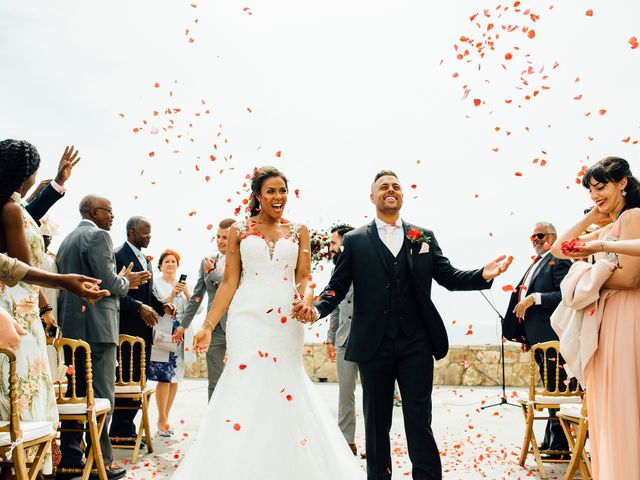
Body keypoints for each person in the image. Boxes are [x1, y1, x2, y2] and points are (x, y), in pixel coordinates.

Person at [294, 170, 511, 480]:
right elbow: (337, 287)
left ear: (402, 196)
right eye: (383, 187)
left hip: (416, 343)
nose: (390, 190)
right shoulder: (354, 241)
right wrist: (315, 309)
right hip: (374, 345)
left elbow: (448, 276)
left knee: (419, 419)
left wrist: (483, 275)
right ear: (373, 197)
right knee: (376, 422)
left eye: (396, 186)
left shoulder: (422, 237)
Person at [176, 166, 364, 479]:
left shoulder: (299, 230)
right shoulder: (239, 229)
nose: (278, 197)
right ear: (258, 197)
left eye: (282, 191)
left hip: (285, 319)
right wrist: (208, 325)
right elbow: (229, 282)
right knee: (245, 382)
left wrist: (305, 299)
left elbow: (303, 275)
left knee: (287, 381)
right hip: (246, 317)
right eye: (271, 191)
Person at [551, 156, 640, 480]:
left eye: (600, 188)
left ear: (623, 184)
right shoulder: (609, 224)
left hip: (627, 316)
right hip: (610, 316)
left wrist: (587, 281)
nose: (594, 195)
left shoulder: (632, 217)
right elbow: (559, 249)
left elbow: (632, 279)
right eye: (590, 191)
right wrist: (593, 213)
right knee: (609, 408)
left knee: (623, 405)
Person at [56, 195, 148, 480]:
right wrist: (126, 282)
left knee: (76, 392)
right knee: (102, 395)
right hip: (98, 327)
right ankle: (100, 461)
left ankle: (71, 457)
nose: (112, 217)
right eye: (109, 211)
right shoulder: (99, 236)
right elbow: (108, 283)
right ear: (94, 211)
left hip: (72, 326)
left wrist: (115, 278)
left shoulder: (67, 240)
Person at [0, 139, 61, 475]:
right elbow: (23, 265)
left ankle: (24, 464)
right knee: (19, 387)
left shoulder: (14, 207)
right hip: (14, 307)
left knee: (26, 384)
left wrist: (43, 308)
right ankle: (18, 463)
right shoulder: (10, 210)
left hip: (23, 305)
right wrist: (61, 280)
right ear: (24, 174)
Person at [502, 221, 571, 458]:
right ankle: (553, 440)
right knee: (550, 389)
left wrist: (535, 298)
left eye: (540, 235)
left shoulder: (558, 259)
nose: (536, 240)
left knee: (557, 390)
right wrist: (524, 336)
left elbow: (566, 295)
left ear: (553, 235)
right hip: (538, 341)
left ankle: (561, 444)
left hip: (554, 339)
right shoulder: (536, 264)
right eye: (532, 237)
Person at [110, 216, 173, 445]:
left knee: (139, 379)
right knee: (125, 381)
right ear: (131, 232)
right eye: (144, 233)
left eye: (150, 232)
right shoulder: (117, 256)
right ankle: (120, 430)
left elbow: (149, 294)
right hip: (125, 330)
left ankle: (125, 429)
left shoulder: (146, 261)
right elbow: (114, 291)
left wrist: (162, 305)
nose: (149, 236)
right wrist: (139, 308)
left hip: (144, 334)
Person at [175, 218, 235, 400]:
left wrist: (213, 274)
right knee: (214, 381)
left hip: (238, 325)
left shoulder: (242, 262)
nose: (220, 241)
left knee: (238, 377)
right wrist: (183, 325)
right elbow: (197, 296)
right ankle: (214, 422)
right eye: (218, 236)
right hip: (213, 328)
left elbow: (232, 283)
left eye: (225, 237)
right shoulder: (207, 261)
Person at [325, 223, 363, 457]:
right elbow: (336, 307)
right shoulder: (336, 271)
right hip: (343, 339)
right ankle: (346, 441)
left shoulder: (368, 265)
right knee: (345, 394)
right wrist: (330, 338)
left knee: (373, 395)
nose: (330, 247)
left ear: (345, 242)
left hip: (368, 339)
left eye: (333, 242)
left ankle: (375, 442)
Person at [149, 249, 192, 436]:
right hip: (164, 333)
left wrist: (187, 292)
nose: (170, 264)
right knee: (164, 376)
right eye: (166, 261)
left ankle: (166, 418)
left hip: (180, 335)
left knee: (175, 378)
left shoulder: (183, 287)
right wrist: (172, 295)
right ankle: (160, 420)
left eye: (173, 261)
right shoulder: (156, 284)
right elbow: (156, 307)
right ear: (160, 265)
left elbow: (194, 311)